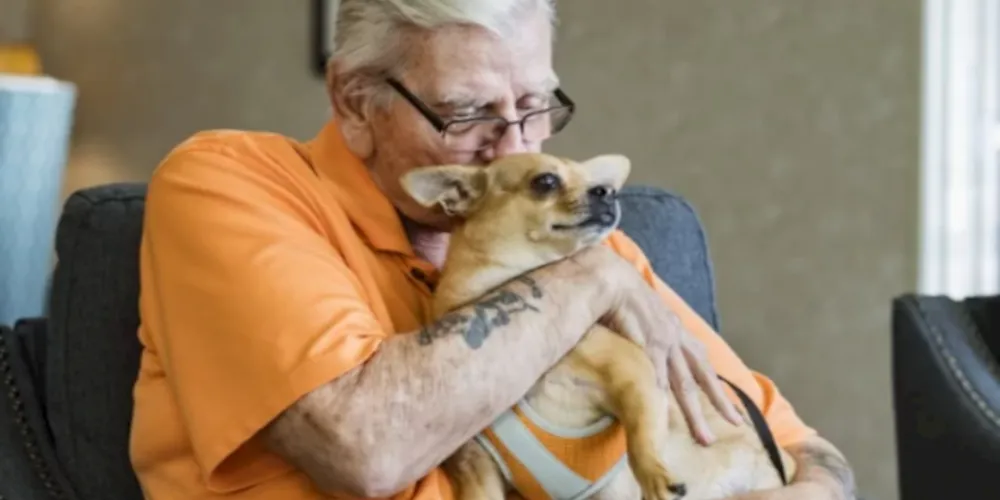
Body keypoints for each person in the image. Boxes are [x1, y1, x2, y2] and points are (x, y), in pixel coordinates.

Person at [128, 0, 857, 499]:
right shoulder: (232, 183)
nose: (514, 149)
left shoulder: (582, 248)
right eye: (468, 112)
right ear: (354, 102)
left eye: (535, 106)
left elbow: (809, 455)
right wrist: (585, 285)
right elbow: (364, 448)